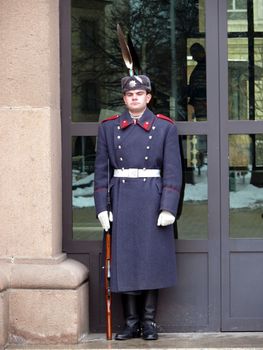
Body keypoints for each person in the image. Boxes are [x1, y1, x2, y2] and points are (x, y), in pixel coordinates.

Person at [94, 75, 182, 341]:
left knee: (150, 261)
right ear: (124, 98)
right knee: (125, 262)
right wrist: (102, 207)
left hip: (152, 199)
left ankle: (149, 322)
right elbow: (101, 171)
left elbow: (173, 170)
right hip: (120, 197)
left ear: (148, 98)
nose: (134, 97)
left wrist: (168, 207)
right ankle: (131, 323)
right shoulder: (108, 128)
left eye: (140, 93)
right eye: (129, 94)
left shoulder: (164, 127)